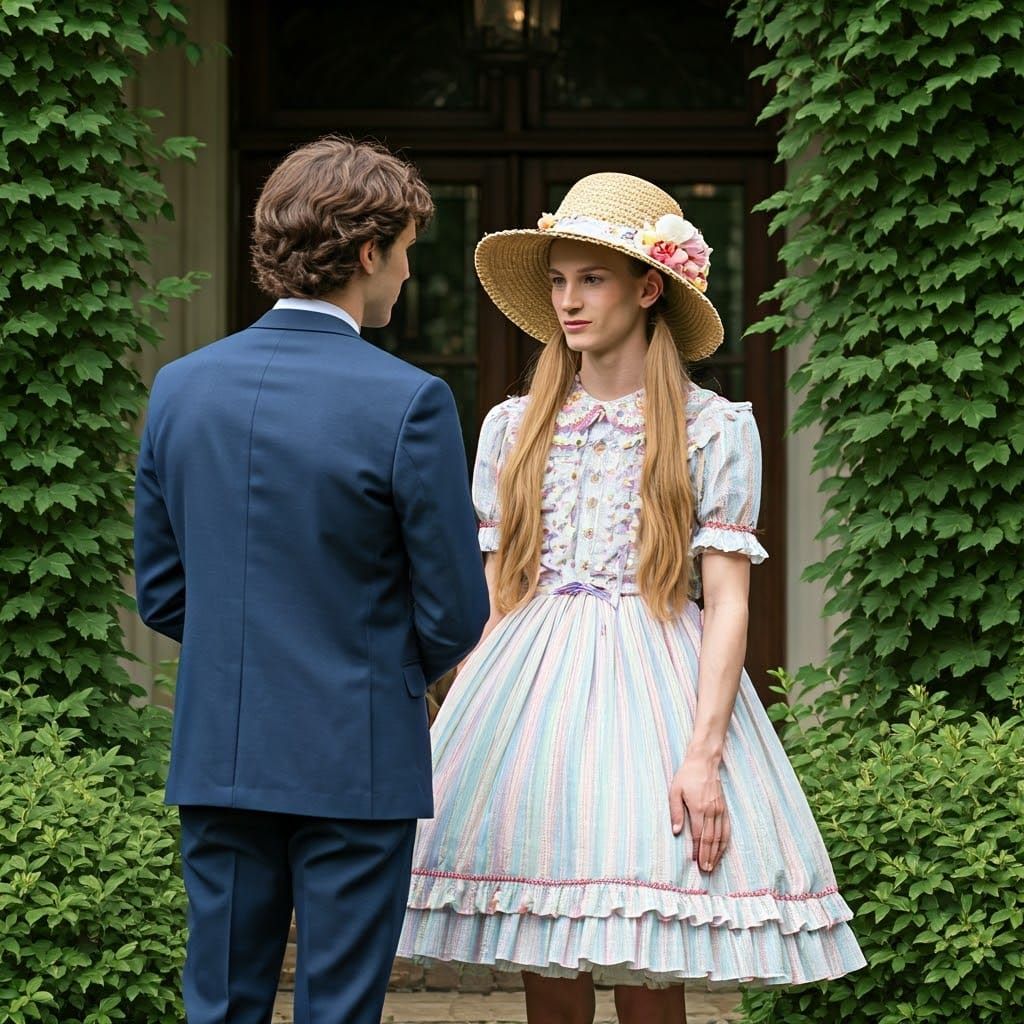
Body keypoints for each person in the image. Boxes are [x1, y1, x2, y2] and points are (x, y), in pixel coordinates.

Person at [398, 173, 865, 1023]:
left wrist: (702, 754)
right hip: (529, 693)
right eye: (557, 280)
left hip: (653, 689)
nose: (568, 301)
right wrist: (461, 716)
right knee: (547, 950)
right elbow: (501, 592)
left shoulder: (710, 428)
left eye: (592, 278)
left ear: (649, 288)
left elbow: (726, 602)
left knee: (651, 962)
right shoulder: (514, 425)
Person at [134, 136, 490, 1024]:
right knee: (338, 1012)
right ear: (368, 253)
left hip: (221, 752)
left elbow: (163, 593)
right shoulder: (410, 400)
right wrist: (370, 670)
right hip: (356, 757)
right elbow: (454, 608)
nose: (408, 273)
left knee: (219, 1007)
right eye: (407, 251)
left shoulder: (179, 389)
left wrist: (243, 654)